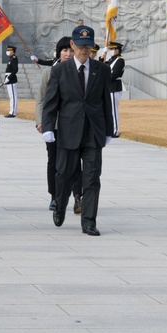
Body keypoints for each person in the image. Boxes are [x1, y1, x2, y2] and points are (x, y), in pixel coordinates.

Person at [41, 25, 115, 237]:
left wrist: (109, 129)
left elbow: (105, 101)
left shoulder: (101, 70)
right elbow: (51, 103)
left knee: (92, 178)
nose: (84, 50)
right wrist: (48, 127)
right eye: (80, 46)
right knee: (64, 174)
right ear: (72, 45)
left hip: (93, 131)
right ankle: (61, 205)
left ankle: (89, 221)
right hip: (68, 131)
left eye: (88, 46)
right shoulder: (59, 70)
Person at [34, 36, 82, 213]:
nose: (68, 54)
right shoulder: (49, 72)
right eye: (65, 50)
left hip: (74, 125)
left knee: (76, 162)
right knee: (54, 161)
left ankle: (78, 197)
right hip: (53, 125)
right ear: (59, 52)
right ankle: (54, 196)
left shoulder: (80, 71)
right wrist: (41, 122)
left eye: (71, 50)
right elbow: (41, 99)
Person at [105, 41, 125, 136]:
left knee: (113, 110)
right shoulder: (110, 60)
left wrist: (103, 78)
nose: (111, 51)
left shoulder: (120, 60)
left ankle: (115, 131)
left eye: (113, 49)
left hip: (114, 87)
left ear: (117, 50)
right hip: (109, 87)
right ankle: (110, 129)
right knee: (108, 110)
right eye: (110, 49)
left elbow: (114, 74)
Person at [3, 45, 19, 117]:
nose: (8, 51)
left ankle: (13, 112)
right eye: (7, 50)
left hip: (11, 80)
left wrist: (8, 78)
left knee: (13, 96)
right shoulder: (10, 59)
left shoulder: (14, 58)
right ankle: (12, 111)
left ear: (13, 51)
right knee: (11, 96)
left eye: (9, 50)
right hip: (9, 79)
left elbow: (15, 70)